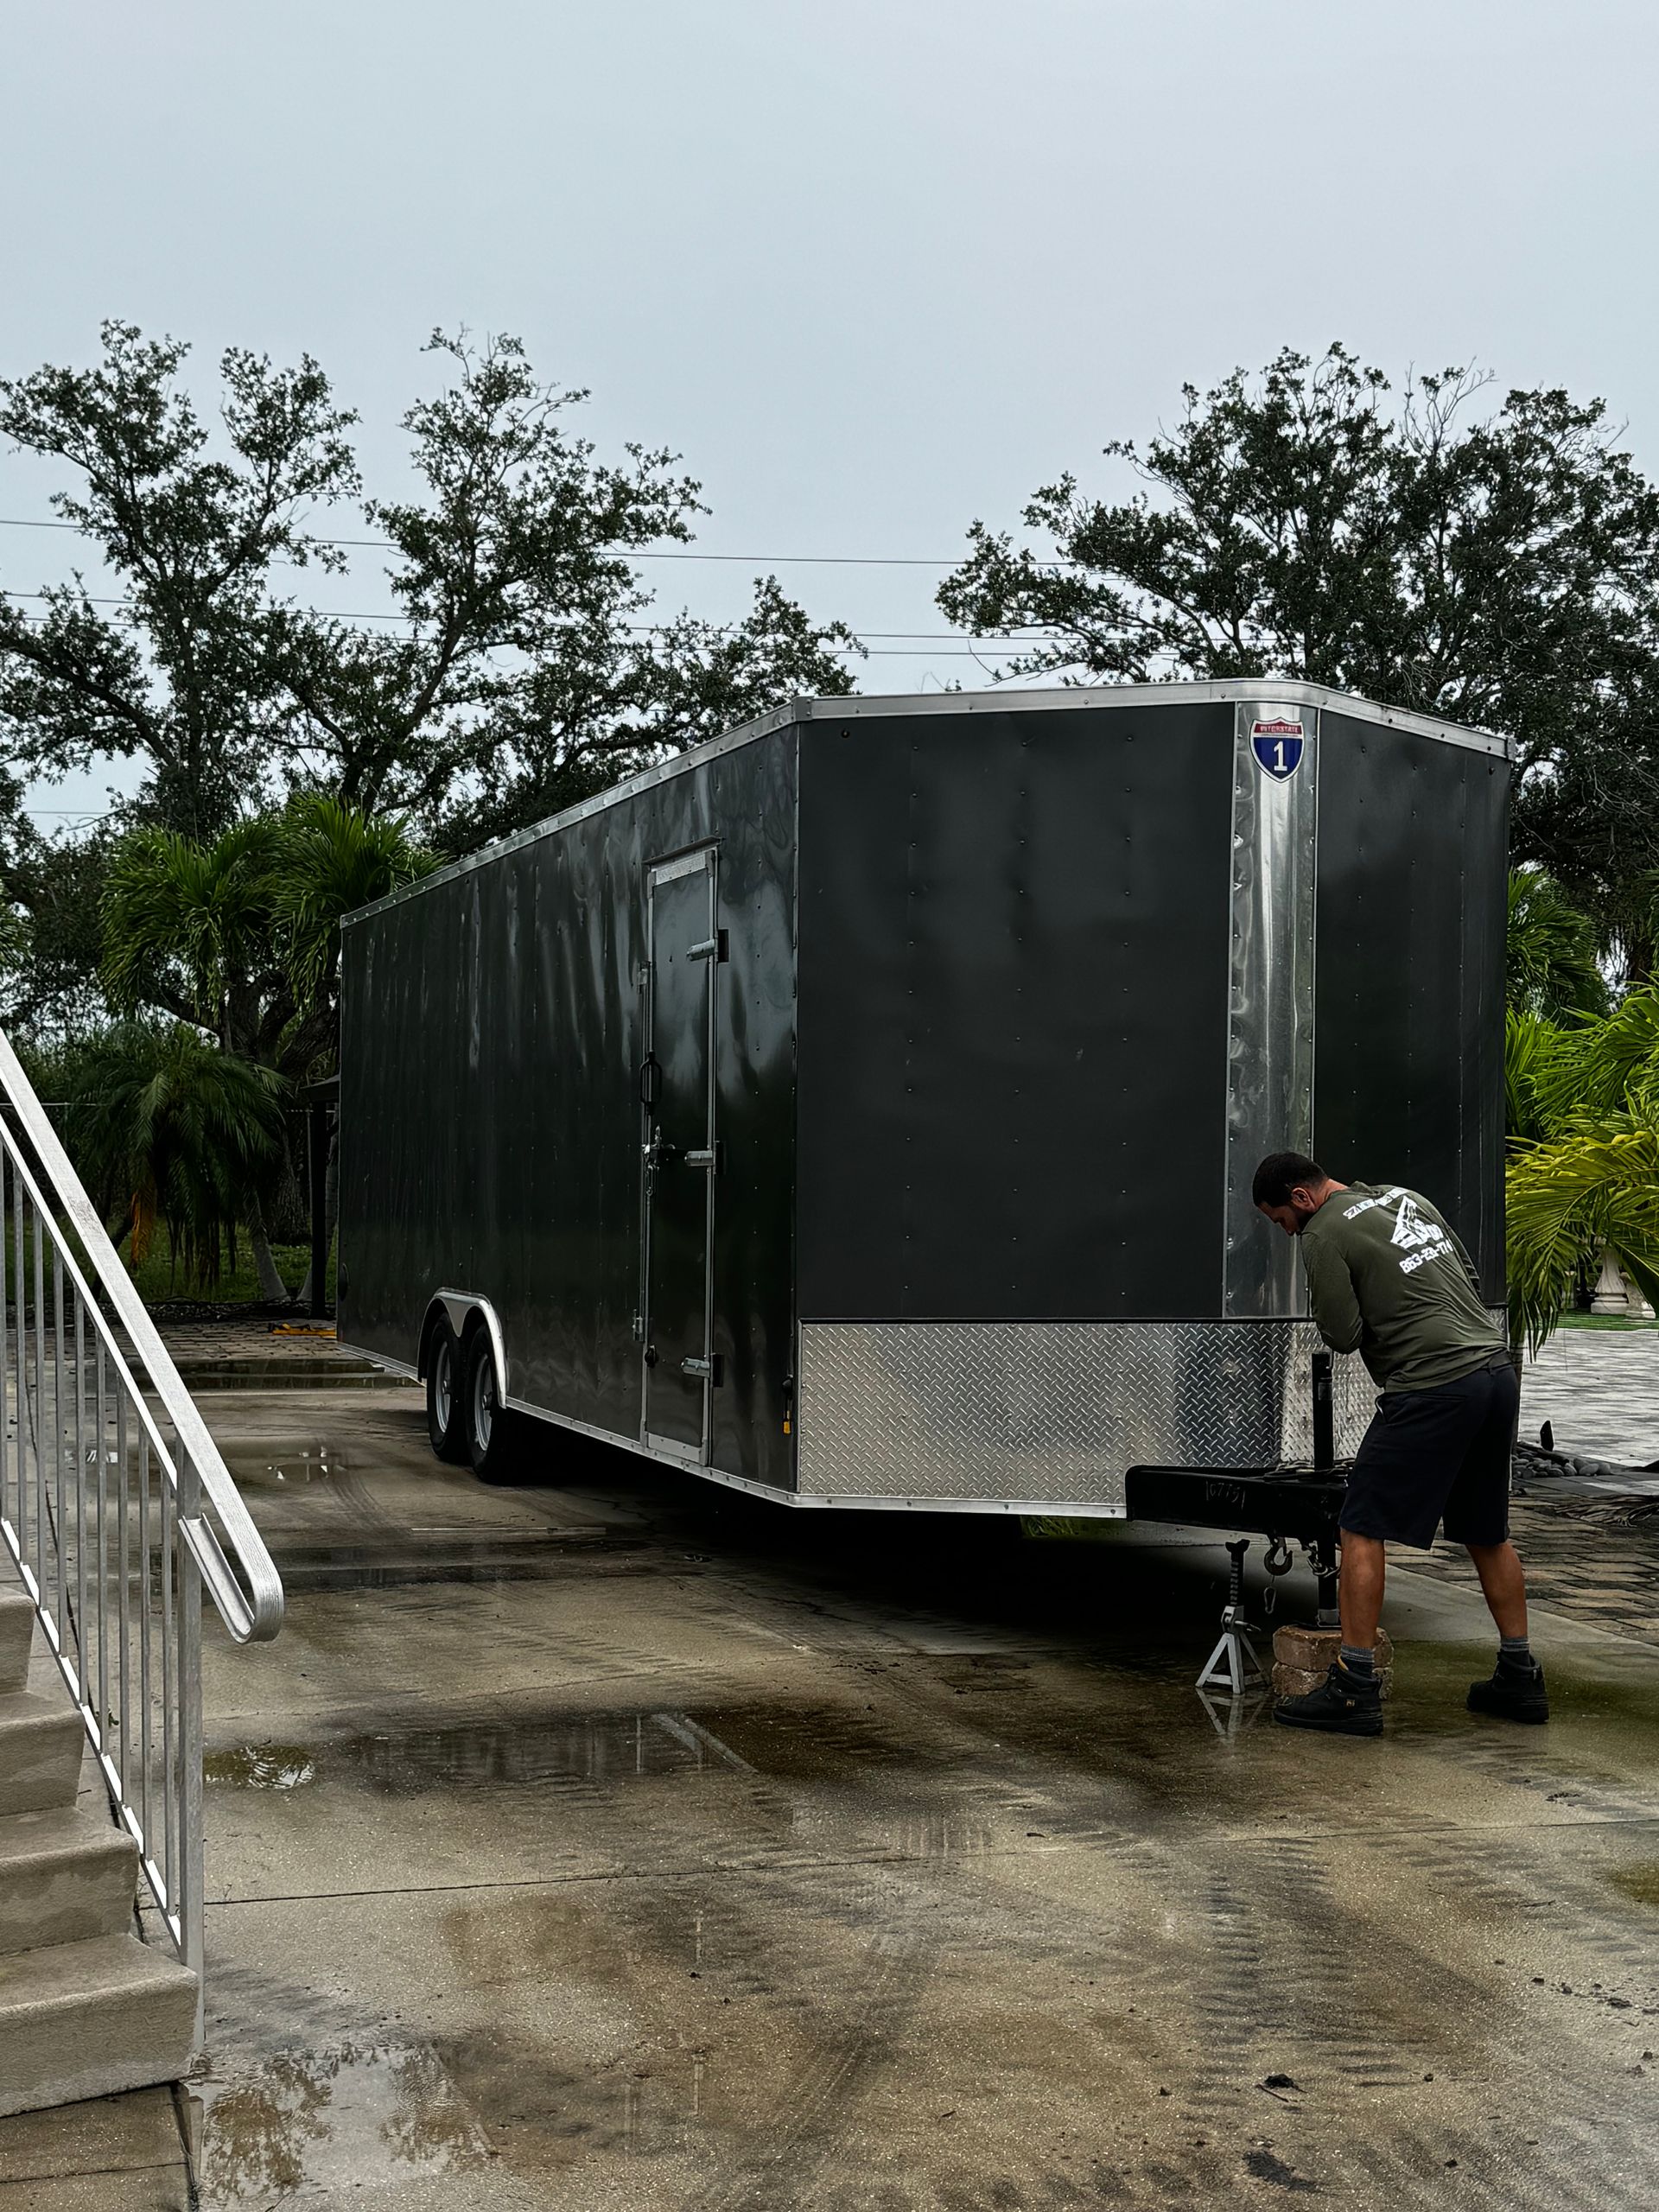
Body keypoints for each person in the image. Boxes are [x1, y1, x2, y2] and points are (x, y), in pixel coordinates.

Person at [1252, 1151, 1546, 1738]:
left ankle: (1355, 1689)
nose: (1287, 1232)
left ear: (1302, 1199)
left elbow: (1342, 1333)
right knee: (1487, 1531)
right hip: (1493, 1373)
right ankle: (1520, 1675)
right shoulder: (1404, 1196)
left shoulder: (1323, 1232)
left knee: (1361, 1524)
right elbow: (1468, 1277)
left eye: (1280, 1220)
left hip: (1431, 1387)